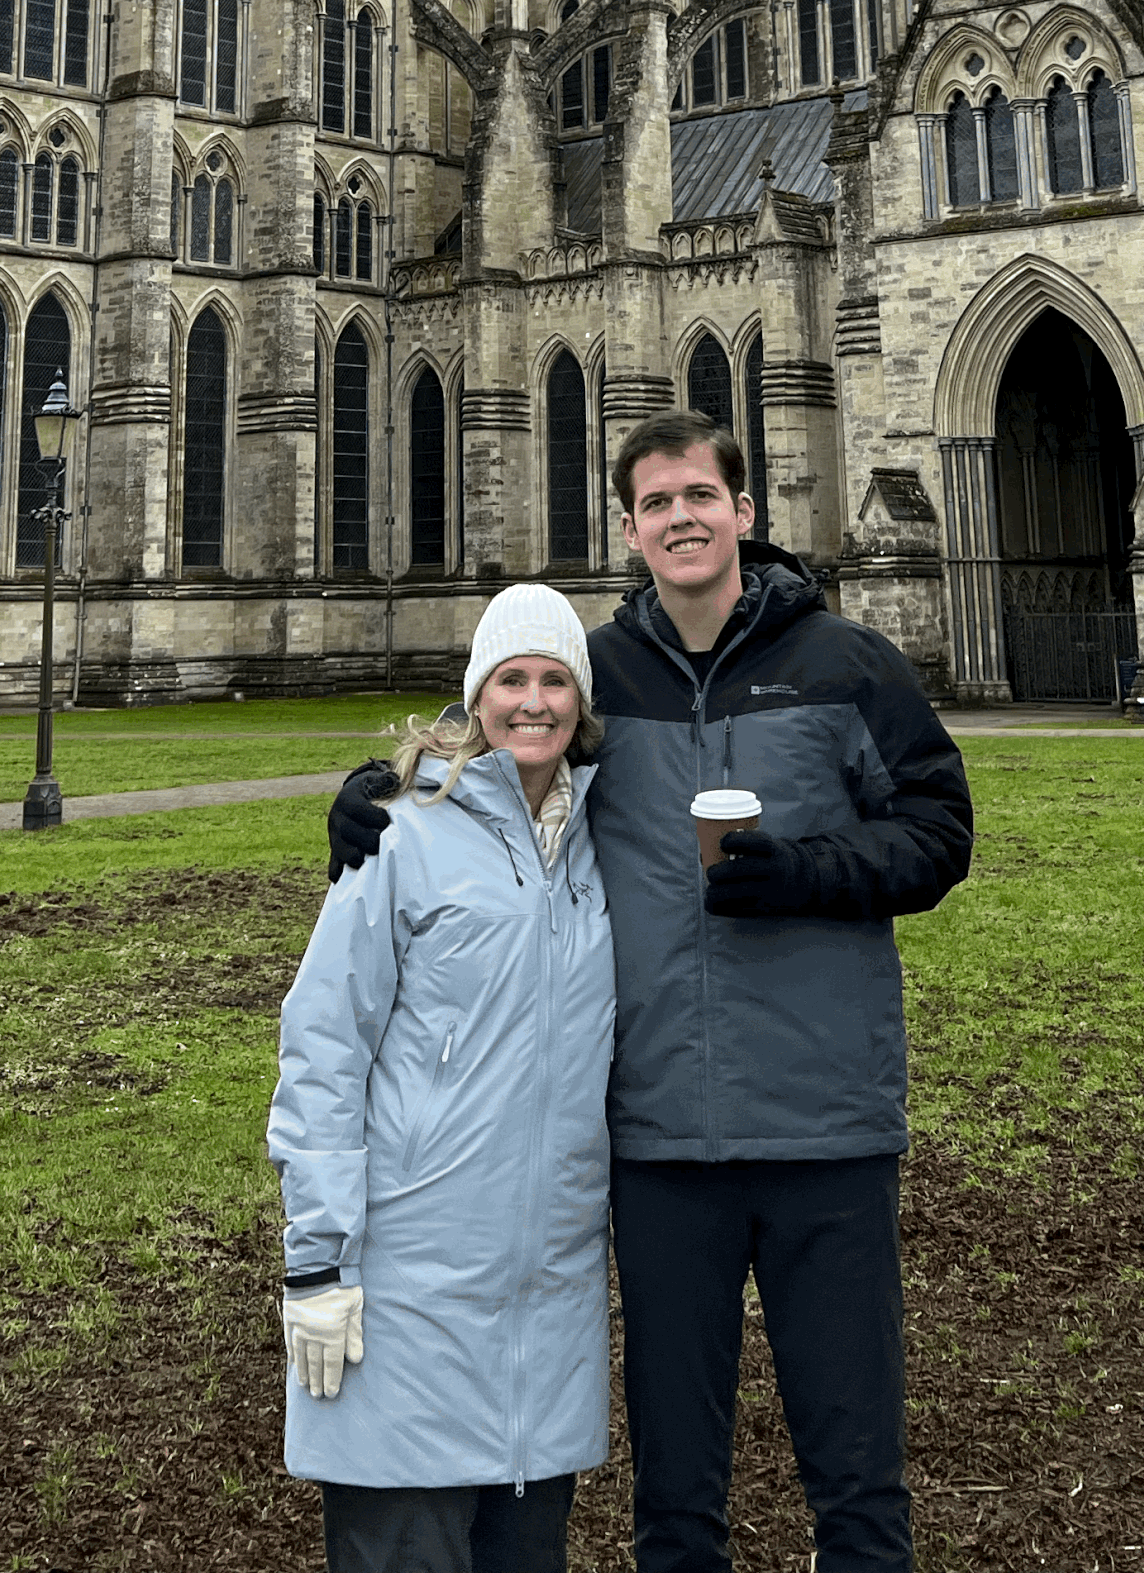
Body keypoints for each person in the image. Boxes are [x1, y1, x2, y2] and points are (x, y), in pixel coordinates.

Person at [328, 415, 973, 1573]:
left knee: (858, 1474)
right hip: (662, 1134)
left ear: (744, 513)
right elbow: (488, 740)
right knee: (676, 1491)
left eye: (699, 495)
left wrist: (810, 876)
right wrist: (376, 790)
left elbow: (938, 835)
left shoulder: (848, 663)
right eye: (657, 503)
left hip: (827, 1119)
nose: (681, 518)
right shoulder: (600, 678)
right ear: (629, 530)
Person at [272, 582, 616, 1573]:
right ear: (475, 695)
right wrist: (319, 1258)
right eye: (510, 679)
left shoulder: (610, 839)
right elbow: (324, 1040)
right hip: (407, 1285)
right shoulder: (399, 830)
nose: (534, 702)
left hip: (544, 1304)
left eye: (556, 680)